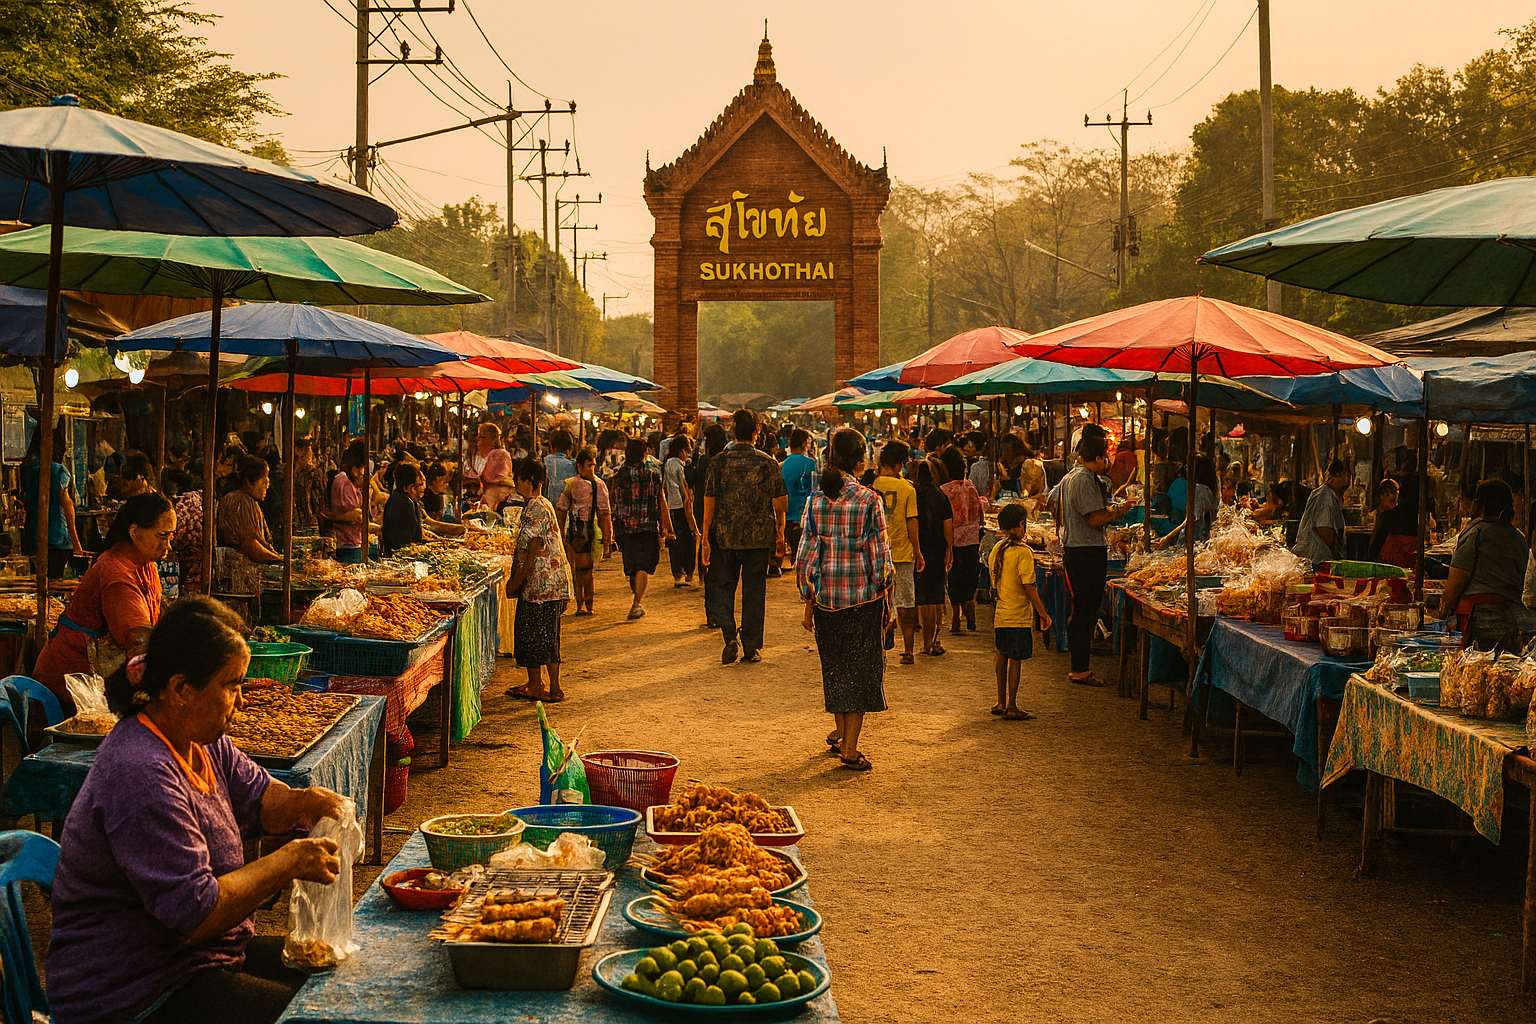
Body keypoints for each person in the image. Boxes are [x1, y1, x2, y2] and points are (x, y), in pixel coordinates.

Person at [45, 596, 346, 1024]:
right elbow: (196, 914)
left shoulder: (202, 742)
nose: (241, 702)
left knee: (338, 977)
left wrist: (306, 802)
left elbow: (263, 798)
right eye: (232, 685)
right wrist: (289, 861)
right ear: (181, 690)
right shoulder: (141, 772)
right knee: (317, 1016)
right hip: (134, 991)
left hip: (205, 956)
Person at [795, 428, 890, 773]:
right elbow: (880, 557)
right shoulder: (869, 500)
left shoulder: (816, 500)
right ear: (860, 460)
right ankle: (849, 748)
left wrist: (809, 595)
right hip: (863, 600)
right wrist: (884, 589)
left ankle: (842, 738)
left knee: (835, 671)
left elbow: (806, 557)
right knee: (860, 673)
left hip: (827, 602)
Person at [33, 492, 174, 709]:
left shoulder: (145, 564)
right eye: (162, 536)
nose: (168, 546)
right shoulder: (116, 575)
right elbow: (138, 640)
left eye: (170, 537)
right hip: (71, 684)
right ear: (135, 532)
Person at [701, 410, 788, 665]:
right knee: (754, 592)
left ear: (733, 431)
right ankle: (751, 646)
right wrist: (780, 534)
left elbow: (709, 503)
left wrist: (705, 537)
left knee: (723, 587)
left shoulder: (718, 462)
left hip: (724, 537)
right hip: (758, 538)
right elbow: (781, 504)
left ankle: (729, 634)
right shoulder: (768, 463)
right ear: (756, 433)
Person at [1054, 427, 1134, 686]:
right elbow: (1095, 519)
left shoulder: (1072, 476)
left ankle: (1079, 665)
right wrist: (1120, 510)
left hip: (1078, 549)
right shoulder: (1084, 479)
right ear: (1099, 458)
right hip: (1085, 552)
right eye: (1106, 457)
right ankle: (1080, 669)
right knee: (1085, 610)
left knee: (1082, 608)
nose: (1107, 462)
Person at [506, 460, 572, 702]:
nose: (516, 483)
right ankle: (545, 685)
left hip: (540, 584)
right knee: (548, 637)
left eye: (519, 479)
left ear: (529, 480)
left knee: (531, 635)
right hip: (553, 583)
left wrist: (518, 579)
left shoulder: (534, 508)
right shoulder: (543, 504)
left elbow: (532, 546)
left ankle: (544, 687)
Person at [1443, 479, 1535, 651]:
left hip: (1481, 620)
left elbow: (1457, 580)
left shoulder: (1475, 532)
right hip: (1513, 619)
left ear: (1479, 503)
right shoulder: (1519, 538)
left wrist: (1443, 611)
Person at [988, 503, 1052, 720]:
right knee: (1015, 659)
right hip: (1018, 615)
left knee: (1002, 654)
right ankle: (1012, 705)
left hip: (1001, 613)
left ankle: (1000, 701)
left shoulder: (997, 549)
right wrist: (1043, 613)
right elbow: (1029, 587)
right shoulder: (1023, 552)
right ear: (1021, 525)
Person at [609, 436, 673, 620]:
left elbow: (612, 501)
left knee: (633, 565)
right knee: (644, 566)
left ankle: (636, 595)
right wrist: (667, 526)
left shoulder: (618, 475)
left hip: (625, 529)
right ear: (644, 454)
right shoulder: (653, 475)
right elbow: (661, 501)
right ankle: (637, 603)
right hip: (647, 527)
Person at [871, 440, 922, 664]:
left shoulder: (871, 485)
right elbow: (912, 521)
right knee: (905, 602)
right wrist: (917, 551)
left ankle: (876, 647)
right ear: (900, 463)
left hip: (875, 553)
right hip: (901, 551)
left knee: (876, 601)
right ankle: (908, 650)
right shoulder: (908, 488)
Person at [555, 445, 613, 616]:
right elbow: (561, 509)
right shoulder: (572, 484)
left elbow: (605, 514)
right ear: (579, 466)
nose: (591, 469)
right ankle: (581, 604)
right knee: (578, 570)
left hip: (590, 532)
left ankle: (588, 604)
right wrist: (560, 532)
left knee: (586, 569)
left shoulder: (599, 485)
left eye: (593, 465)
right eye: (589, 465)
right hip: (575, 531)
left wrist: (608, 538)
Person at [23, 418, 85, 576]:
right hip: (57, 540)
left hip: (34, 538)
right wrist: (76, 542)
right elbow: (67, 507)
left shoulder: (31, 471)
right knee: (55, 581)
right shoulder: (58, 471)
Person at [939, 446, 984, 633]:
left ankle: (956, 618)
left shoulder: (944, 490)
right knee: (969, 578)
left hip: (953, 542)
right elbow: (980, 514)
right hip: (972, 541)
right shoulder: (970, 487)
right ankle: (970, 616)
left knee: (954, 580)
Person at [912, 459, 953, 656]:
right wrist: (949, 548)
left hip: (919, 549)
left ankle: (926, 643)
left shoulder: (914, 494)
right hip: (937, 549)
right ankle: (935, 640)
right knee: (936, 596)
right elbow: (947, 524)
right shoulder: (940, 495)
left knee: (923, 598)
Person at [217, 458, 283, 566]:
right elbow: (251, 546)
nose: (267, 486)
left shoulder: (234, 497)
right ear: (249, 482)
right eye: (264, 482)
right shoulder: (242, 502)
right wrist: (280, 561)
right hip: (242, 567)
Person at [695, 423, 729, 627]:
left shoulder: (704, 462)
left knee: (711, 570)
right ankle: (720, 613)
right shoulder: (725, 462)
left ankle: (712, 614)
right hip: (725, 520)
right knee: (725, 572)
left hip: (706, 517)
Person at [1292, 459, 1351, 566]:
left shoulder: (1325, 493)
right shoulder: (1325, 495)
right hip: (1316, 560)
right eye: (1347, 476)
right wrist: (1335, 556)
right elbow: (1324, 529)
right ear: (1341, 475)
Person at [1156, 455, 1219, 549]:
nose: (1186, 469)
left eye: (1188, 466)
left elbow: (1191, 520)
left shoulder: (1200, 491)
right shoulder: (1206, 489)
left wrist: (1167, 538)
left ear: (1196, 470)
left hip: (1195, 543)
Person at [663, 433, 698, 587]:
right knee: (684, 541)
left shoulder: (672, 463)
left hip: (677, 505)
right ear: (683, 450)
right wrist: (687, 502)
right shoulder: (674, 463)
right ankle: (683, 573)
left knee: (682, 541)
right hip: (679, 506)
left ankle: (683, 573)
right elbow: (681, 485)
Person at [781, 428, 818, 569]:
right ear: (804, 443)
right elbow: (814, 489)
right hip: (803, 507)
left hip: (787, 506)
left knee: (788, 535)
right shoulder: (810, 463)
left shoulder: (784, 463)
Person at [325, 448, 368, 564]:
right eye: (362, 470)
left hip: (350, 541)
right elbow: (355, 515)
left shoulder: (344, 480)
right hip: (346, 541)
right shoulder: (344, 482)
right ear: (354, 469)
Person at [466, 422, 516, 510]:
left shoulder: (499, 454)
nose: (479, 441)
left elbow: (491, 478)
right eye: (479, 437)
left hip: (498, 500)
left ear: (493, 439)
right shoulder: (479, 455)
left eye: (483, 437)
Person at [1367, 478, 1402, 564]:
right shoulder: (1381, 516)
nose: (1395, 505)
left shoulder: (1391, 517)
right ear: (1381, 496)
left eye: (1396, 502)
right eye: (1388, 495)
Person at [543, 429, 577, 504]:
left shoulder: (544, 462)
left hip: (548, 505)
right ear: (570, 449)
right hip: (568, 506)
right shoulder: (574, 464)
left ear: (551, 447)